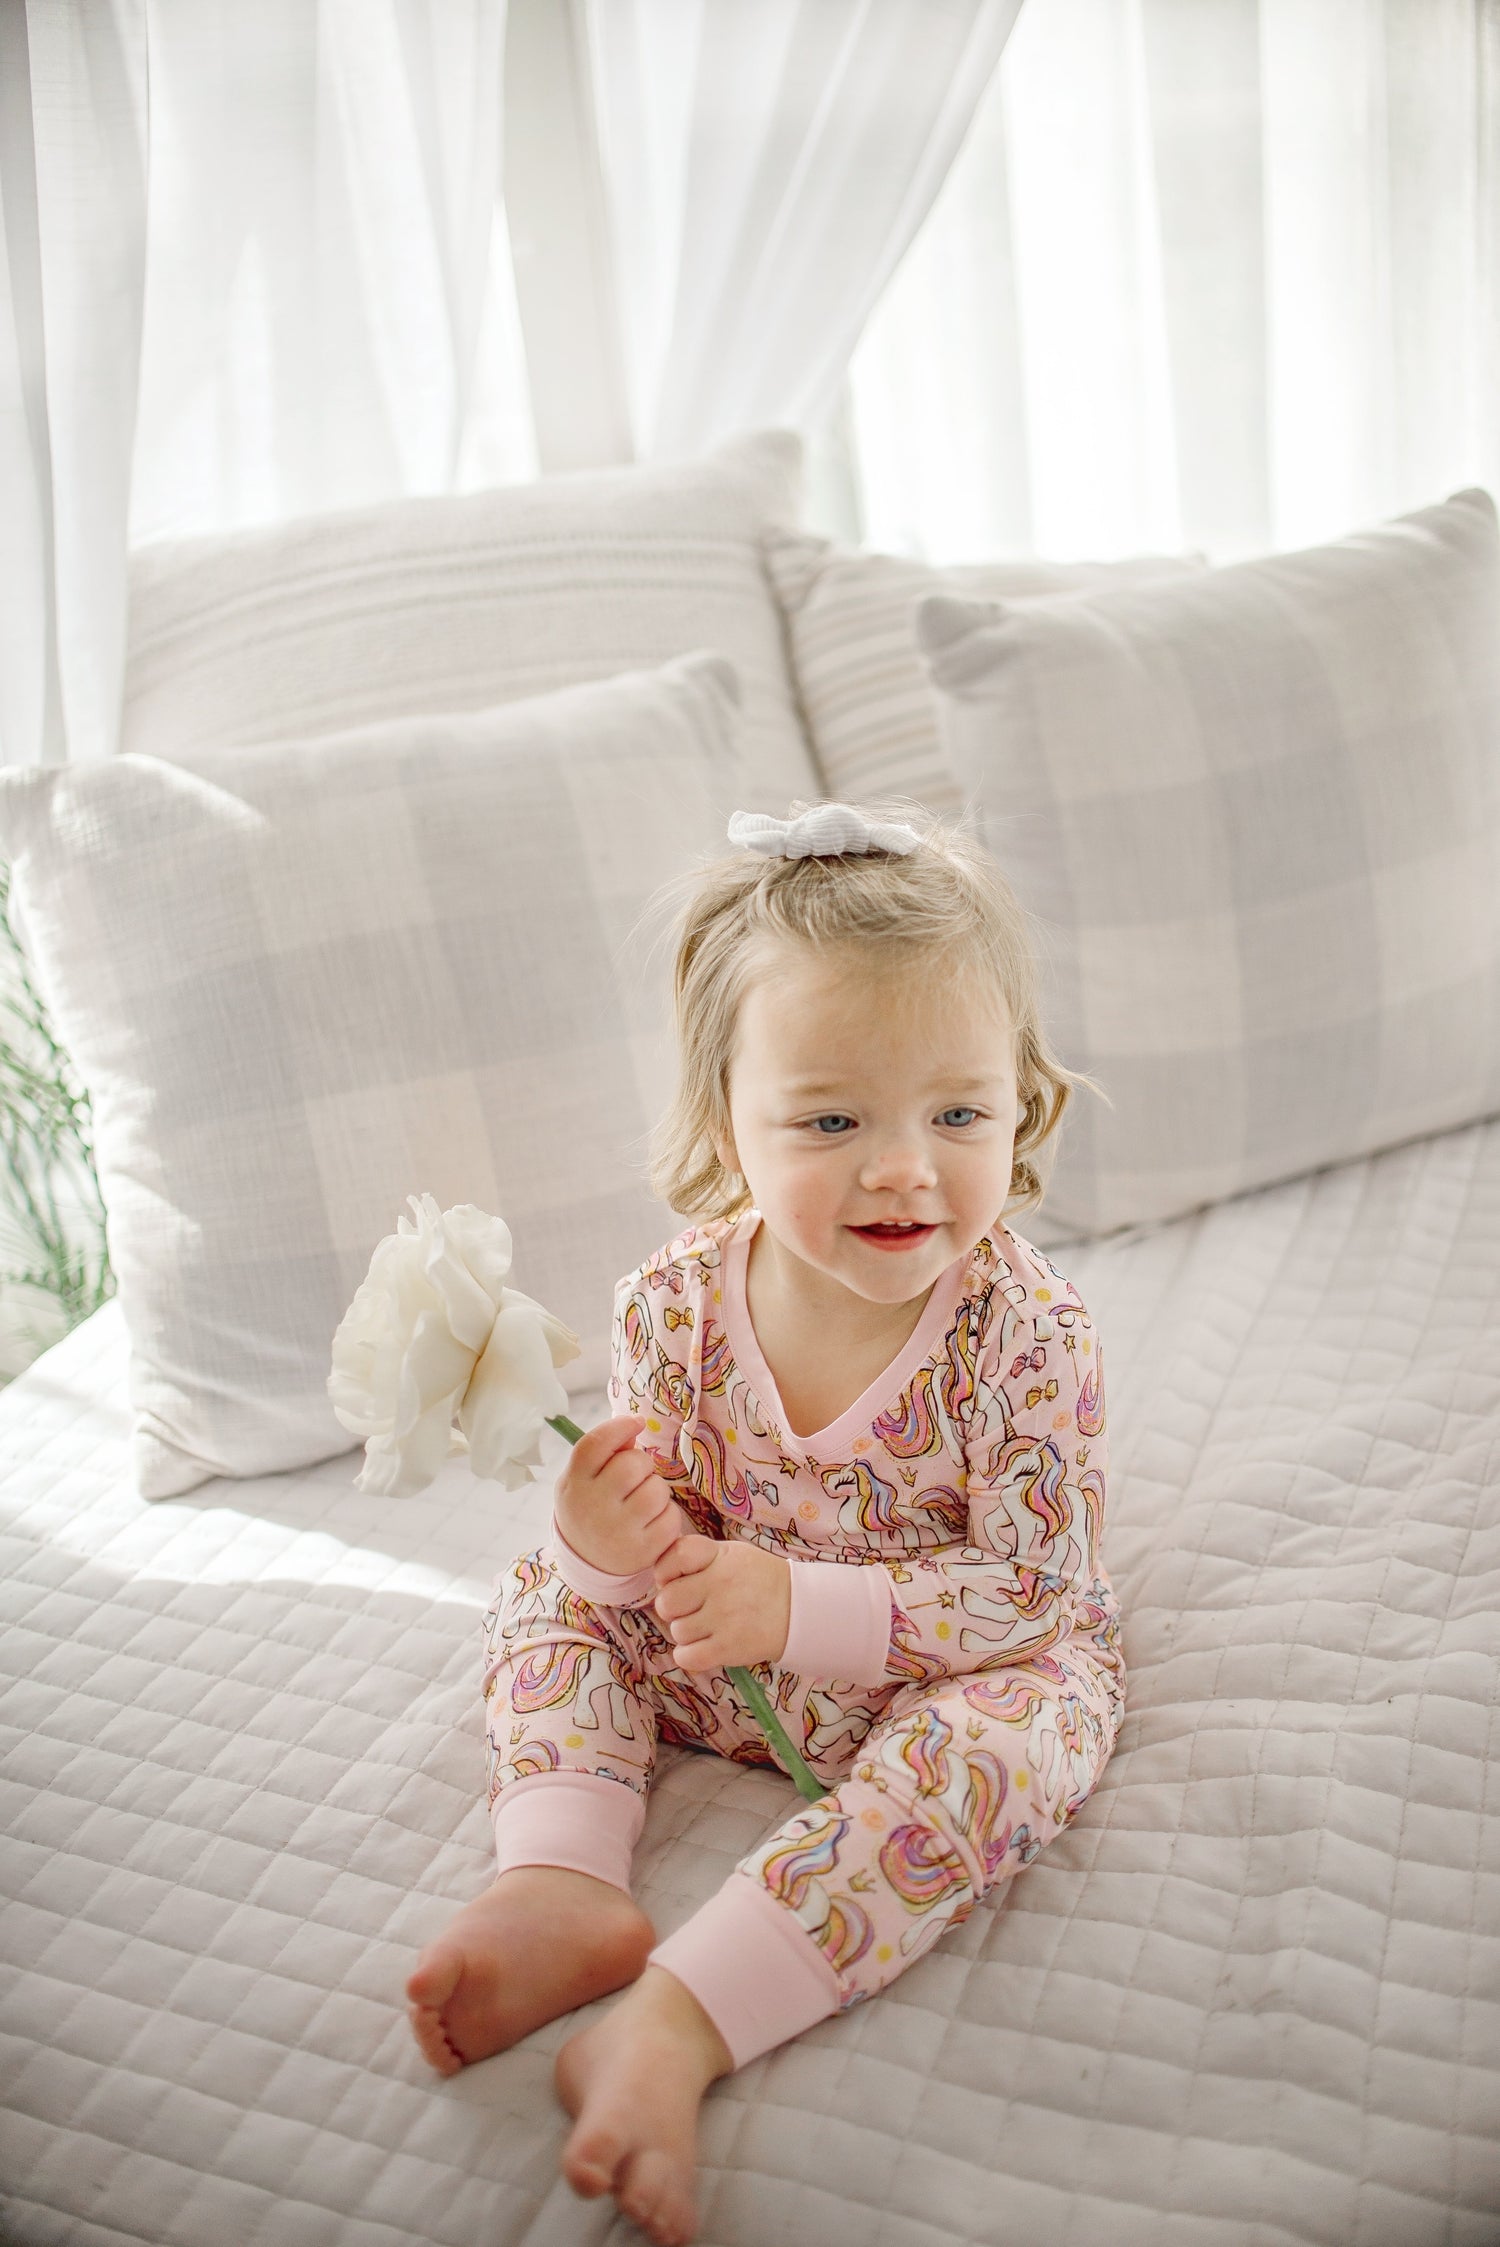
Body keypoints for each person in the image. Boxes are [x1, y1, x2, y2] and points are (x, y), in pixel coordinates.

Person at [406, 801, 1126, 2247]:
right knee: (545, 1594)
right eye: (832, 1119)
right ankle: (559, 1876)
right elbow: (652, 1555)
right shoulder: (670, 1305)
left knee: (1021, 1738)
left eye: (958, 1114)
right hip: (718, 1661)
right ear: (725, 1123)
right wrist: (604, 1536)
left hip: (932, 1669)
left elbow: (1035, 1591)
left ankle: (679, 2017)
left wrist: (802, 1608)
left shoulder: (1029, 1336)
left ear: (1021, 1103)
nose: (904, 1166)